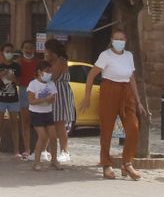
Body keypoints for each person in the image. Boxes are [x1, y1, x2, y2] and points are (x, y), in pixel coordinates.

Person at [84, 28, 145, 181]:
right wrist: (87, 97)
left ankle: (127, 162)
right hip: (109, 90)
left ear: (125, 41)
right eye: (116, 39)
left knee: (133, 128)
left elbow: (131, 78)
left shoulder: (129, 56)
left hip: (126, 93)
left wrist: (138, 101)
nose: (119, 42)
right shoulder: (105, 55)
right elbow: (91, 75)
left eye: (122, 39)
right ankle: (106, 164)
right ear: (111, 41)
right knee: (107, 129)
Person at [45, 37, 75, 163]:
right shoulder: (53, 62)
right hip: (52, 94)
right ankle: (45, 150)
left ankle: (64, 151)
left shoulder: (60, 61)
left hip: (60, 94)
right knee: (49, 122)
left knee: (59, 123)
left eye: (47, 50)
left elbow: (52, 76)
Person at [27, 60, 60, 170]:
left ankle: (54, 160)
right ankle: (36, 162)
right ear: (40, 72)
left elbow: (53, 100)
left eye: (50, 71)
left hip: (48, 112)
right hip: (36, 113)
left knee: (53, 137)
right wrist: (44, 99)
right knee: (42, 136)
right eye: (47, 71)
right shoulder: (33, 84)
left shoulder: (51, 84)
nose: (49, 74)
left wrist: (50, 100)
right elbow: (31, 101)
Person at [14, 41, 40, 160]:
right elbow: (16, 78)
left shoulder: (38, 63)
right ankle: (27, 149)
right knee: (25, 121)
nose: (28, 50)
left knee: (38, 121)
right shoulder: (18, 62)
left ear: (34, 49)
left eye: (30, 48)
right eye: (26, 48)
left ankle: (40, 149)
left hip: (36, 91)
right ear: (22, 49)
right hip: (24, 91)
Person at [0, 60, 21, 155]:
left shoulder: (16, 66)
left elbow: (20, 83)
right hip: (0, 99)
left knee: (14, 123)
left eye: (10, 51)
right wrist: (0, 76)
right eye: (7, 51)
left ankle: (16, 150)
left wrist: (14, 78)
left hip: (13, 99)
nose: (9, 53)